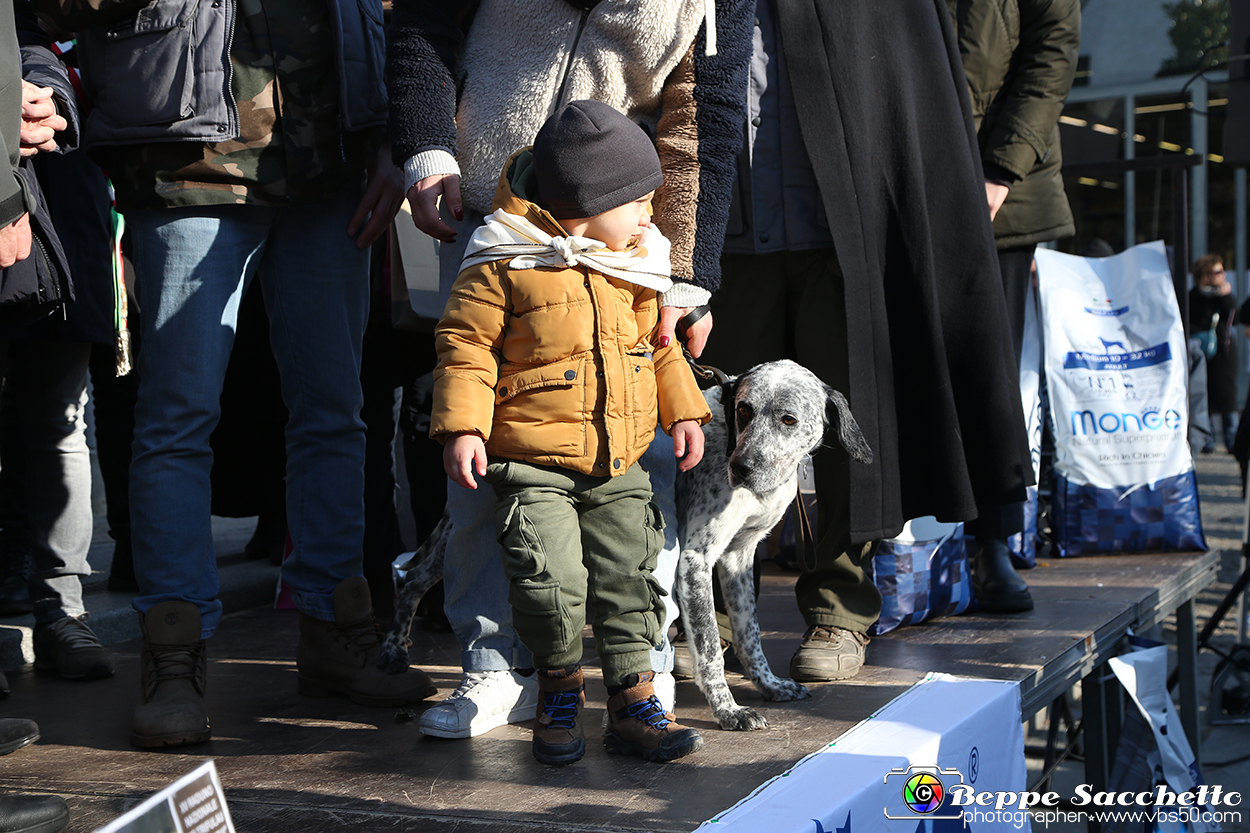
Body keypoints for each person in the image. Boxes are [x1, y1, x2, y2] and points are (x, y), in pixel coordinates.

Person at [44, 0, 436, 748]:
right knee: (177, 417)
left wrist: (389, 139)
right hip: (186, 162)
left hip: (330, 164)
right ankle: (173, 653)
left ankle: (335, 630)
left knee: (334, 412)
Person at [385, 0, 750, 739]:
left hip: (627, 232)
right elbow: (424, 16)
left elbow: (705, 108)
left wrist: (686, 270)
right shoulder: (495, 252)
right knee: (486, 491)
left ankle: (636, 674)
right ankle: (495, 667)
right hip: (493, 216)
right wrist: (427, 145)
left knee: (637, 496)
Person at [700, 0, 1033, 682]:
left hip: (839, 232)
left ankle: (841, 607)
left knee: (851, 427)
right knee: (716, 430)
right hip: (729, 230)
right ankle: (712, 615)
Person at [432, 100, 711, 765]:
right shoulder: (506, 256)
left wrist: (686, 410)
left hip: (620, 461)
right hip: (531, 462)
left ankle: (633, 699)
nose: (650, 215)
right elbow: (466, 346)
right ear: (588, 205)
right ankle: (558, 689)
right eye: (638, 202)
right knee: (548, 582)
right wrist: (463, 427)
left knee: (630, 579)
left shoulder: (638, 262)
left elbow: (661, 347)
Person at [950, 0, 1081, 612]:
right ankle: (900, 547)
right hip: (903, 176)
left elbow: (1050, 54)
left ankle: (990, 541)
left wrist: (1001, 168)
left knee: (988, 373)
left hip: (999, 191)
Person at [1189, 253, 1238, 453]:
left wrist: (1225, 296)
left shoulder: (1224, 295)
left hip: (1223, 353)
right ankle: (1206, 439)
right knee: (1203, 391)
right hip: (1199, 351)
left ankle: (1232, 438)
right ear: (1205, 275)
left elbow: (1234, 316)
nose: (1222, 275)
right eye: (1217, 272)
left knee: (1227, 395)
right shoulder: (1192, 296)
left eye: (1222, 271)